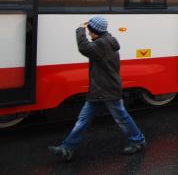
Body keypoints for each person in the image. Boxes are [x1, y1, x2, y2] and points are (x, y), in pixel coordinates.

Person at [48, 16, 146, 161]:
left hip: (107, 90)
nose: (88, 33)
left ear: (95, 31)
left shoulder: (102, 44)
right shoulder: (105, 39)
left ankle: (138, 141)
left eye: (89, 31)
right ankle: (67, 148)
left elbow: (84, 47)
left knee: (121, 118)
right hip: (98, 90)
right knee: (82, 120)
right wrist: (89, 27)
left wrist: (80, 29)